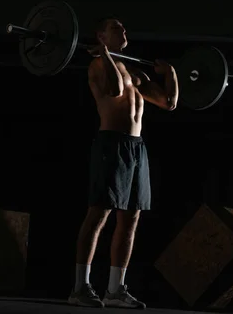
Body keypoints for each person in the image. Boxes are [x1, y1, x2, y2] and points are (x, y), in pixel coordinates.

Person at [68, 18, 179, 309]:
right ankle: (80, 287)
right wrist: (104, 54)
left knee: (131, 217)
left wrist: (171, 73)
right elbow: (115, 91)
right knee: (99, 215)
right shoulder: (97, 66)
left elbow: (169, 102)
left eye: (124, 28)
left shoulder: (136, 73)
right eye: (116, 27)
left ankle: (115, 290)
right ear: (101, 35)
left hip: (136, 148)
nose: (124, 31)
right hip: (111, 144)